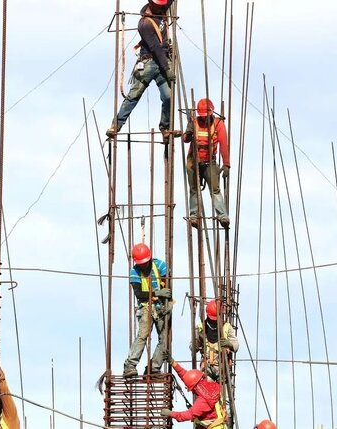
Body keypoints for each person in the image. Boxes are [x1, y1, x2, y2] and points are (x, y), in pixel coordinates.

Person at [106, 0, 181, 142]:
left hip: (164, 60)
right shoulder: (144, 24)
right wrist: (167, 69)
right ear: (151, 4)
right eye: (158, 5)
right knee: (134, 96)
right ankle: (116, 126)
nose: (161, 8)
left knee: (168, 97)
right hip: (150, 63)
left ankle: (165, 128)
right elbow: (156, 48)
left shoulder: (161, 8)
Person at [123, 243, 172, 377]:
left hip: (161, 307)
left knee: (165, 339)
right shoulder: (134, 272)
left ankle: (154, 367)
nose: (143, 265)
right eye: (141, 263)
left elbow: (167, 287)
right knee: (142, 336)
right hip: (146, 307)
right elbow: (139, 294)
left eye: (145, 262)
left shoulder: (160, 265)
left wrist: (165, 300)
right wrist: (157, 293)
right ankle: (130, 365)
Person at [182, 98, 230, 228]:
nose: (204, 119)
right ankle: (194, 216)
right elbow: (185, 140)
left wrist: (226, 164)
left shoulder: (218, 124)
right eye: (202, 116)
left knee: (215, 190)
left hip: (210, 162)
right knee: (194, 189)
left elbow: (224, 144)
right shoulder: (194, 122)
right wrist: (188, 131)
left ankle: (222, 216)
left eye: (206, 116)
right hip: (193, 161)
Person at [160, 360, 226, 428]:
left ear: (194, 387)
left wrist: (170, 413)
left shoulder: (202, 401)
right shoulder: (209, 385)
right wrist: (173, 363)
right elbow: (188, 377)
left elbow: (187, 415)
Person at [191, 300, 239, 382]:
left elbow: (236, 346)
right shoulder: (200, 328)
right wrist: (197, 339)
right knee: (208, 391)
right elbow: (193, 348)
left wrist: (229, 344)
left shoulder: (227, 327)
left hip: (223, 368)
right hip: (207, 367)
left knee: (224, 394)